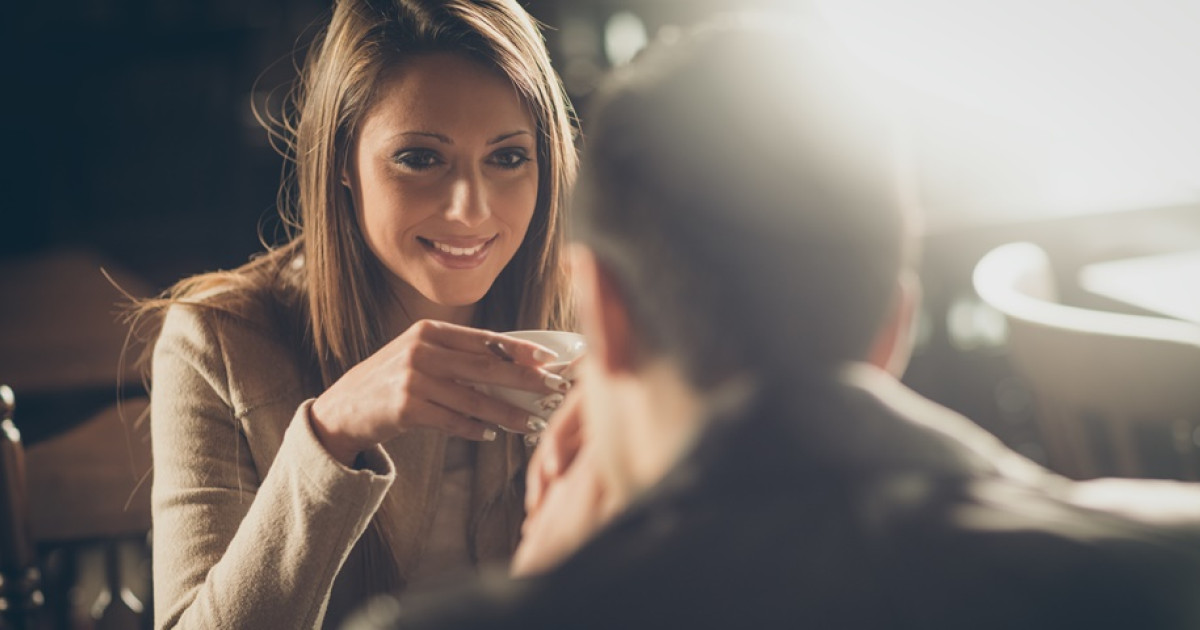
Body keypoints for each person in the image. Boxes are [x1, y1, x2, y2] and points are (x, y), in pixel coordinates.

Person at [344, 13, 1200, 630]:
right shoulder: (1172, 561)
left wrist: (541, 591)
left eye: (508, 158)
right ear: (892, 328)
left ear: (604, 308)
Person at [135, 0, 579, 627]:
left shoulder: (587, 320)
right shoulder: (216, 342)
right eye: (421, 158)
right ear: (342, 159)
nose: (471, 210)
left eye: (507, 157)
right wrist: (331, 436)